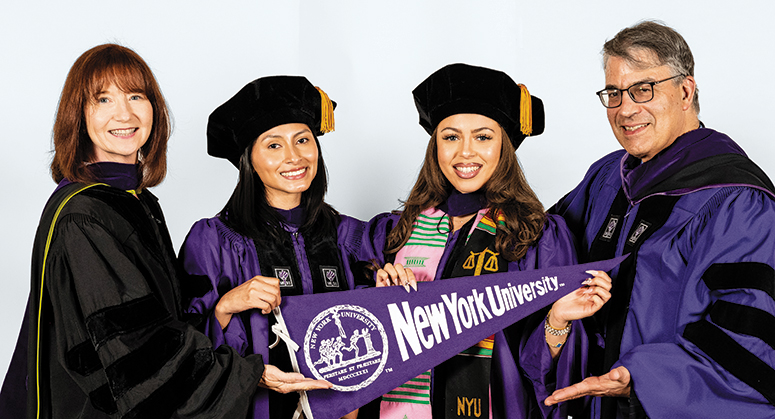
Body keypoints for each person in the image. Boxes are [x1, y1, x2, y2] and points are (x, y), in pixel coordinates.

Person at [17, 44, 330, 419]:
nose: (124, 113)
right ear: (78, 115)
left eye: (136, 96)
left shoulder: (136, 203)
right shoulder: (85, 216)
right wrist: (249, 375)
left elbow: (165, 320)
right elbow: (139, 354)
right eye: (103, 99)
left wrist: (225, 306)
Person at [545, 21, 775, 418]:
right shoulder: (606, 178)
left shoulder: (739, 201)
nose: (625, 109)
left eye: (643, 89)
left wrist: (643, 378)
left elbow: (753, 344)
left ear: (685, 91)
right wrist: (421, 235)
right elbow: (537, 251)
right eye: (614, 93)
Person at [363, 63, 613, 419]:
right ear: (435, 146)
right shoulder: (395, 232)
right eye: (451, 137)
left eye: (482, 137)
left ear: (504, 146)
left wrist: (557, 319)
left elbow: (546, 372)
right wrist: (377, 299)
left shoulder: (536, 237)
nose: (465, 152)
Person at [179, 76, 368, 419]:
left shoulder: (349, 236)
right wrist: (224, 308)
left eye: (303, 140)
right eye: (273, 145)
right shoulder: (214, 241)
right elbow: (183, 350)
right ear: (249, 159)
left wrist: (393, 275)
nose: (294, 157)